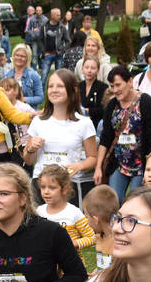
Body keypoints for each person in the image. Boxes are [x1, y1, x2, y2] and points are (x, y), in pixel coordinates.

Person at [23, 69, 97, 204]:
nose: (54, 90)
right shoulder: (38, 121)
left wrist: (80, 165)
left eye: (60, 86)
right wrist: (31, 149)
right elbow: (28, 160)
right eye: (51, 86)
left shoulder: (84, 123)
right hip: (40, 185)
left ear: (73, 90)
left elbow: (92, 159)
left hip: (66, 186)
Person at [95, 65, 151, 201]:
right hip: (119, 164)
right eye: (112, 86)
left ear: (130, 82)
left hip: (141, 165)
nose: (115, 90)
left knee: (135, 201)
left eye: (118, 85)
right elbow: (105, 138)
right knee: (114, 201)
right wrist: (99, 167)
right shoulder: (112, 105)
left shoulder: (145, 102)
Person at [35, 165, 96, 252]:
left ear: (64, 189)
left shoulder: (74, 213)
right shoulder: (39, 211)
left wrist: (73, 244)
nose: (46, 192)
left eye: (52, 188)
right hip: (46, 263)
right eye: (43, 187)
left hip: (70, 263)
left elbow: (92, 237)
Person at [7, 44, 43, 108]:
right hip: (12, 113)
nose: (19, 58)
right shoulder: (7, 75)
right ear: (13, 56)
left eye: (22, 56)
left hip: (29, 113)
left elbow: (40, 98)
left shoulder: (34, 75)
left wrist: (24, 99)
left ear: (27, 58)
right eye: (17, 55)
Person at [77, 58, 108, 133]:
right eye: (86, 67)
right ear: (82, 69)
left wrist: (87, 111)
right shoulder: (77, 86)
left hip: (95, 126)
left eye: (93, 68)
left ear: (98, 70)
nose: (89, 70)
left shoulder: (103, 87)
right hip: (77, 124)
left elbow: (104, 110)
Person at [40, 8, 70, 79]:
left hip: (58, 54)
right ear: (52, 16)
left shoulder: (62, 27)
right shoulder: (44, 26)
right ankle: (40, 90)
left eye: (59, 15)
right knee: (44, 75)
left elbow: (68, 40)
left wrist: (62, 50)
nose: (59, 17)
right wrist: (43, 52)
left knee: (59, 76)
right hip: (47, 54)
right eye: (57, 15)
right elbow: (40, 40)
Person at [25, 5, 48, 70]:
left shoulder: (45, 19)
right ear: (35, 11)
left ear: (42, 11)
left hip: (42, 40)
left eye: (39, 10)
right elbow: (28, 29)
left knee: (43, 54)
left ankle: (44, 67)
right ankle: (34, 69)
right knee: (34, 54)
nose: (38, 12)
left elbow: (48, 29)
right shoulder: (32, 19)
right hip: (34, 39)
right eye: (37, 10)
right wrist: (33, 32)